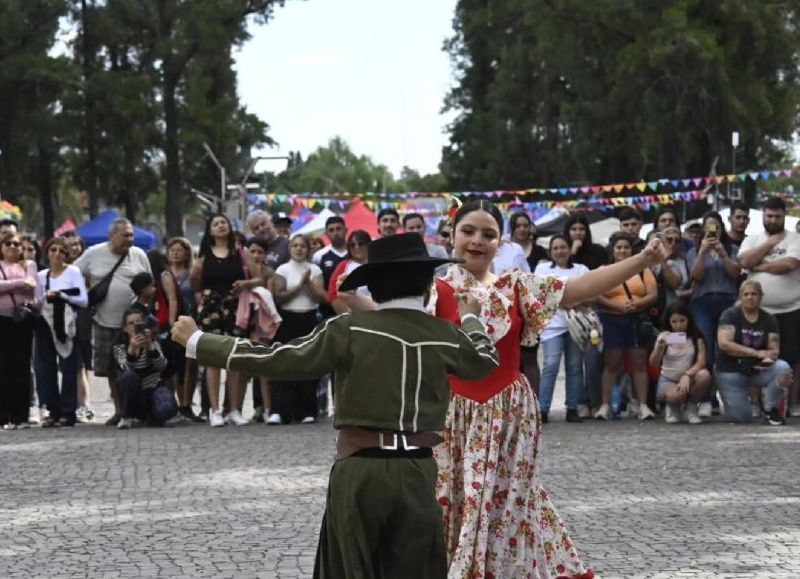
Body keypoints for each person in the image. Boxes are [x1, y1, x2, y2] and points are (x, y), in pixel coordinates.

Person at [171, 232, 500, 579]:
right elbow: (484, 360)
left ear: (372, 288)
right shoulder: (444, 335)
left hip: (361, 471)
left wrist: (199, 341)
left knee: (349, 568)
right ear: (428, 287)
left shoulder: (349, 328)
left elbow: (277, 358)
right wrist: (471, 318)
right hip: (419, 469)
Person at [432, 198, 667, 578]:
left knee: (507, 498)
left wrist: (641, 261)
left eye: (488, 234)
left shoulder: (517, 286)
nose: (477, 241)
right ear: (452, 236)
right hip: (451, 411)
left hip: (507, 411)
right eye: (468, 231)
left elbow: (579, 288)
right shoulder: (433, 290)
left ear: (501, 242)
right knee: (455, 495)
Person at [74, 218, 152, 425]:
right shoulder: (94, 253)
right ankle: (119, 410)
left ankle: (139, 409)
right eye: (125, 235)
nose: (130, 239)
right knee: (111, 368)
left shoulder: (139, 255)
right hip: (104, 321)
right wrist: (84, 298)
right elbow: (73, 274)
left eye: (131, 235)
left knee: (138, 365)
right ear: (112, 236)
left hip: (135, 325)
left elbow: (149, 283)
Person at [737, 196, 800, 418]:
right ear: (763, 215)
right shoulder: (753, 239)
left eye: (777, 216)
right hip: (759, 312)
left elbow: (790, 264)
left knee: (792, 358)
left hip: (791, 309)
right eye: (769, 216)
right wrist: (769, 244)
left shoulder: (795, 238)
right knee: (756, 357)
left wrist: (761, 265)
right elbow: (744, 262)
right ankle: (756, 403)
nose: (773, 220)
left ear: (784, 216)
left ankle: (791, 403)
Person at [192, 213, 255, 427]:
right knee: (213, 359)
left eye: (223, 223)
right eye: (215, 224)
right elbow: (195, 285)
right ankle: (215, 410)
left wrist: (245, 285)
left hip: (235, 307)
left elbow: (259, 278)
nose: (220, 226)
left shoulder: (241, 252)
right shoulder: (203, 256)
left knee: (234, 358)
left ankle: (235, 409)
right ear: (210, 230)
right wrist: (195, 272)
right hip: (211, 309)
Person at [595, 232, 658, 420]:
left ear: (632, 250)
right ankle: (605, 405)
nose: (623, 250)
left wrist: (637, 304)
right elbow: (597, 294)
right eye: (619, 247)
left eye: (626, 247)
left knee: (639, 363)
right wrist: (617, 306)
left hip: (637, 319)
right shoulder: (604, 269)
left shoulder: (642, 269)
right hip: (612, 319)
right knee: (611, 363)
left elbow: (653, 294)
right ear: (612, 250)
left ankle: (643, 405)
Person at [268, 234, 328, 425]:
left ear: (308, 249)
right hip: (288, 318)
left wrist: (308, 283)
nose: (299, 249)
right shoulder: (283, 269)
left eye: (303, 246)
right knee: (284, 363)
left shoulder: (315, 269)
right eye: (295, 245)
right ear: (290, 248)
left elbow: (320, 297)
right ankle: (279, 410)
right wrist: (299, 285)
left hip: (309, 318)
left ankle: (307, 409)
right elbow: (279, 295)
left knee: (308, 364)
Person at [687, 211, 741, 416]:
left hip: (727, 300)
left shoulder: (731, 248)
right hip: (702, 301)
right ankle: (706, 399)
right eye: (709, 227)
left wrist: (723, 254)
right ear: (703, 230)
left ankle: (728, 397)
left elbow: (735, 274)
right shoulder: (693, 252)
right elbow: (696, 276)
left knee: (727, 350)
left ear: (721, 229)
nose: (712, 231)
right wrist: (702, 252)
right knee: (706, 349)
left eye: (716, 227)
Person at [715, 280, 791, 425]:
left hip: (757, 369)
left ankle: (771, 410)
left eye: (754, 294)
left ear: (760, 297)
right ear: (740, 297)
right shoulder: (730, 315)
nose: (750, 297)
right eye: (746, 294)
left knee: (783, 368)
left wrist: (767, 359)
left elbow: (774, 349)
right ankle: (724, 398)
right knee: (741, 419)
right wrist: (756, 353)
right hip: (731, 371)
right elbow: (724, 344)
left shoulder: (769, 319)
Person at [534, 235, 589, 423]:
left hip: (576, 326)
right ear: (550, 251)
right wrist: (562, 301)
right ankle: (542, 409)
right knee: (550, 366)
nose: (560, 251)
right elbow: (539, 294)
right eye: (555, 248)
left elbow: (592, 291)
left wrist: (576, 301)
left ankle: (572, 408)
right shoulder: (542, 270)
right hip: (551, 327)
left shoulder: (581, 269)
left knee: (574, 368)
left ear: (569, 249)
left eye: (563, 247)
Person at [34, 238, 88, 427]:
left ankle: (68, 410)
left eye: (61, 251)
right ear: (47, 253)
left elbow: (83, 299)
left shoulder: (73, 272)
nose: (57, 254)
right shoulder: (41, 275)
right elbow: (37, 300)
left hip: (66, 322)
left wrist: (61, 295)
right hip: (44, 322)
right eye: (53, 250)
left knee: (68, 367)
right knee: (45, 367)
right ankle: (52, 409)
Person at [563, 212, 607, 418]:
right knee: (573, 364)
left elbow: (600, 281)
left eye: (581, 229)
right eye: (573, 229)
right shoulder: (563, 252)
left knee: (592, 360)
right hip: (569, 314)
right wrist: (571, 252)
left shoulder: (597, 251)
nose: (578, 233)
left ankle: (595, 401)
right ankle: (579, 401)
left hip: (591, 312)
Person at [649, 302, 711, 424]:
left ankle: (691, 408)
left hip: (689, 378)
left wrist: (687, 375)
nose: (679, 326)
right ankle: (672, 408)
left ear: (689, 320)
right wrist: (659, 348)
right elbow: (653, 363)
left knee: (704, 375)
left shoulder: (695, 337)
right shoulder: (666, 336)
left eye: (682, 321)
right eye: (674, 321)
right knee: (675, 396)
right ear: (669, 321)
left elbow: (701, 362)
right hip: (668, 380)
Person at [113, 308, 176, 429]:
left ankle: (153, 416)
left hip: (153, 389)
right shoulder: (120, 346)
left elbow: (163, 366)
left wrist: (150, 348)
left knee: (166, 408)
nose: (135, 326)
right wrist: (131, 351)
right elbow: (124, 370)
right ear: (125, 328)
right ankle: (126, 416)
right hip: (133, 395)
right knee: (130, 376)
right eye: (131, 323)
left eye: (138, 322)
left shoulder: (153, 341)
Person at [0, 232, 38, 429]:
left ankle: (20, 415)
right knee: (3, 367)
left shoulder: (29, 265)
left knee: (22, 367)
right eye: (8, 243)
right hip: (2, 320)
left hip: (23, 320)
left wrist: (10, 287)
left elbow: (32, 287)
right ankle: (3, 414)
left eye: (17, 244)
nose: (13, 246)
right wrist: (19, 284)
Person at [166, 237, 204, 422]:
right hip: (170, 325)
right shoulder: (164, 274)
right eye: (172, 250)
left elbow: (198, 298)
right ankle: (175, 402)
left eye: (180, 250)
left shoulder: (191, 274)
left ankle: (187, 404)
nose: (176, 253)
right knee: (173, 366)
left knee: (191, 364)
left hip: (190, 322)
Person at [64, 233, 94, 422]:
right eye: (70, 245)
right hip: (67, 317)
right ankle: (82, 404)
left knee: (84, 362)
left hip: (86, 317)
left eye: (77, 244)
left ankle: (84, 403)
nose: (75, 248)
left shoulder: (89, 267)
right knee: (77, 364)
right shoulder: (62, 270)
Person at [327, 230, 374, 314]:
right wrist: (346, 314)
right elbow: (333, 294)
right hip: (353, 316)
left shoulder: (377, 263)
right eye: (352, 245)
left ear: (368, 244)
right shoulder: (344, 266)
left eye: (361, 244)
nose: (357, 247)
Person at [312, 216, 349, 319]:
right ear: (326, 234)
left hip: (354, 306)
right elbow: (318, 287)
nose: (335, 233)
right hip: (328, 310)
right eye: (331, 230)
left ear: (346, 230)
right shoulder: (319, 256)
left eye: (338, 229)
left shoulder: (355, 252)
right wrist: (335, 302)